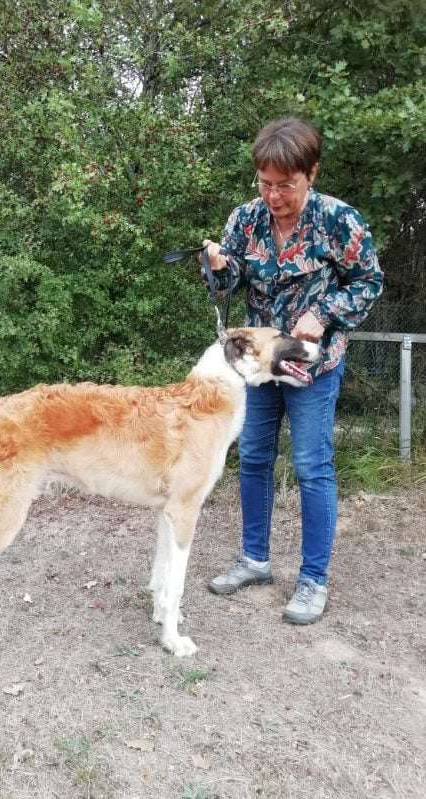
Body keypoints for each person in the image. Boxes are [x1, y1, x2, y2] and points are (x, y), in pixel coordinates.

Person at [203, 116, 383, 624]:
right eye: (265, 183)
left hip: (312, 365)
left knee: (311, 466)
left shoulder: (338, 221)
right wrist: (218, 267)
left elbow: (368, 282)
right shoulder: (245, 219)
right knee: (255, 459)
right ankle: (255, 560)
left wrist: (323, 314)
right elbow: (228, 287)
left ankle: (312, 580)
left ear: (312, 175)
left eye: (286, 184)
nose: (274, 195)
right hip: (259, 367)